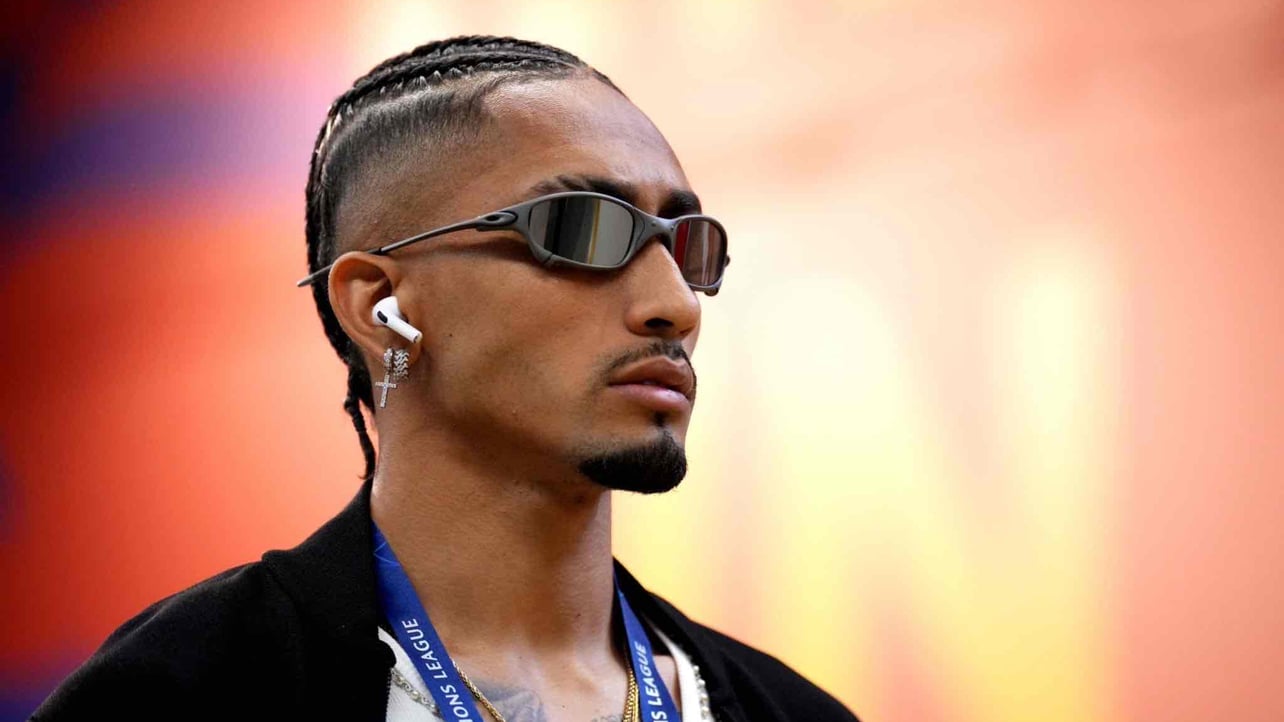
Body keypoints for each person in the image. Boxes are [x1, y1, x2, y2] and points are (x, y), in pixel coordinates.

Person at [34, 36, 859, 722]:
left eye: (686, 245)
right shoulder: (180, 694)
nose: (674, 305)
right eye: (580, 227)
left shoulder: (793, 712)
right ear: (381, 305)